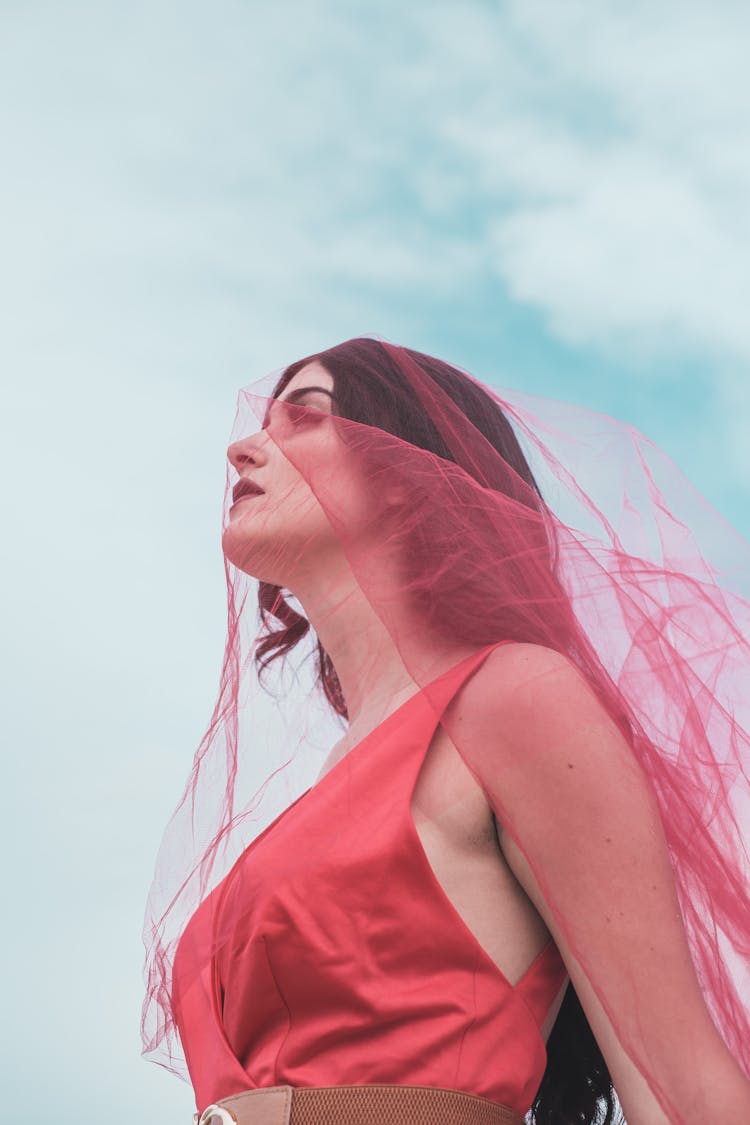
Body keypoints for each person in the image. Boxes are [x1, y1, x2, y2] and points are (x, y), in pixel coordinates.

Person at [143, 337, 750, 1124]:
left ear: (409, 474)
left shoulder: (515, 698)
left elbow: (683, 1089)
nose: (244, 445)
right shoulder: (338, 773)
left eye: (306, 417)